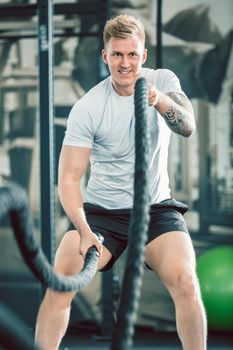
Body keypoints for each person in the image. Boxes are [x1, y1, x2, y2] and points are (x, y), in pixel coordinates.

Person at [35, 14, 207, 350]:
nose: (124, 63)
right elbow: (69, 179)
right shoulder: (89, 107)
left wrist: (159, 101)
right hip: (103, 213)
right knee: (60, 283)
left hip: (155, 208)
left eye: (131, 55)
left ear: (143, 56)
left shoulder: (163, 80)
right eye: (117, 55)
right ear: (105, 56)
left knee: (186, 282)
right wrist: (83, 229)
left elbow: (187, 126)